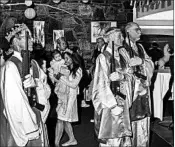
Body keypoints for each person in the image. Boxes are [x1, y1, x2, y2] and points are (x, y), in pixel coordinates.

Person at [0, 23, 48, 146]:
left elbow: (46, 89)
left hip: (37, 115)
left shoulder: (34, 64)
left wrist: (36, 84)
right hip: (24, 125)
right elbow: (14, 102)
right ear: (16, 41)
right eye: (28, 37)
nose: (32, 41)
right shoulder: (11, 66)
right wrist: (30, 127)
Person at [91, 27, 133, 147]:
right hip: (110, 104)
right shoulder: (103, 57)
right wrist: (112, 105)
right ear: (109, 38)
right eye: (119, 36)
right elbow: (100, 84)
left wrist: (122, 76)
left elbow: (130, 76)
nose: (123, 38)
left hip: (123, 100)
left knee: (123, 136)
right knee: (112, 137)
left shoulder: (123, 55)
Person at [119, 22, 154, 147]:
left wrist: (142, 61)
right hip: (130, 92)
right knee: (129, 122)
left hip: (142, 91)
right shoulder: (121, 48)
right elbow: (120, 69)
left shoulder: (140, 47)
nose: (140, 32)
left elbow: (149, 63)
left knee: (142, 122)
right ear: (127, 31)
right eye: (137, 29)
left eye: (140, 30)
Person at [49, 51, 82, 147]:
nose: (65, 60)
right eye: (65, 58)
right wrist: (53, 76)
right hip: (62, 97)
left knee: (61, 119)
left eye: (67, 58)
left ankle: (56, 143)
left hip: (71, 98)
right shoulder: (64, 68)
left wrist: (62, 77)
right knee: (63, 119)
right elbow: (57, 81)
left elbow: (74, 84)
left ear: (73, 59)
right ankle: (71, 139)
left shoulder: (78, 70)